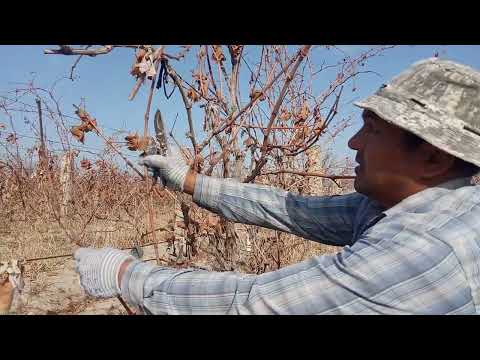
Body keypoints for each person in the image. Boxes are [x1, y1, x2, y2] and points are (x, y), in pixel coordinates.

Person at [74, 58, 480, 314]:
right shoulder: (420, 202)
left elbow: (256, 303)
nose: (354, 143)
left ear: (433, 158)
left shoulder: (423, 250)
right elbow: (293, 209)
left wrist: (127, 274)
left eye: (371, 131)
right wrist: (188, 179)